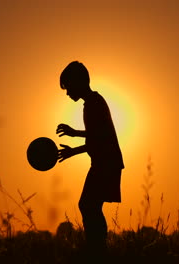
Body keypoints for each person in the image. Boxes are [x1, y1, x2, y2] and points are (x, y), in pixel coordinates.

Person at [56, 61, 124, 255]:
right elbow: (97, 133)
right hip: (106, 162)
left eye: (68, 87)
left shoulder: (93, 104)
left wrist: (72, 151)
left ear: (78, 82)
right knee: (91, 205)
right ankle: (98, 247)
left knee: (88, 205)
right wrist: (75, 133)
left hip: (106, 163)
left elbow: (98, 140)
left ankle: (97, 249)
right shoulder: (94, 102)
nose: (67, 93)